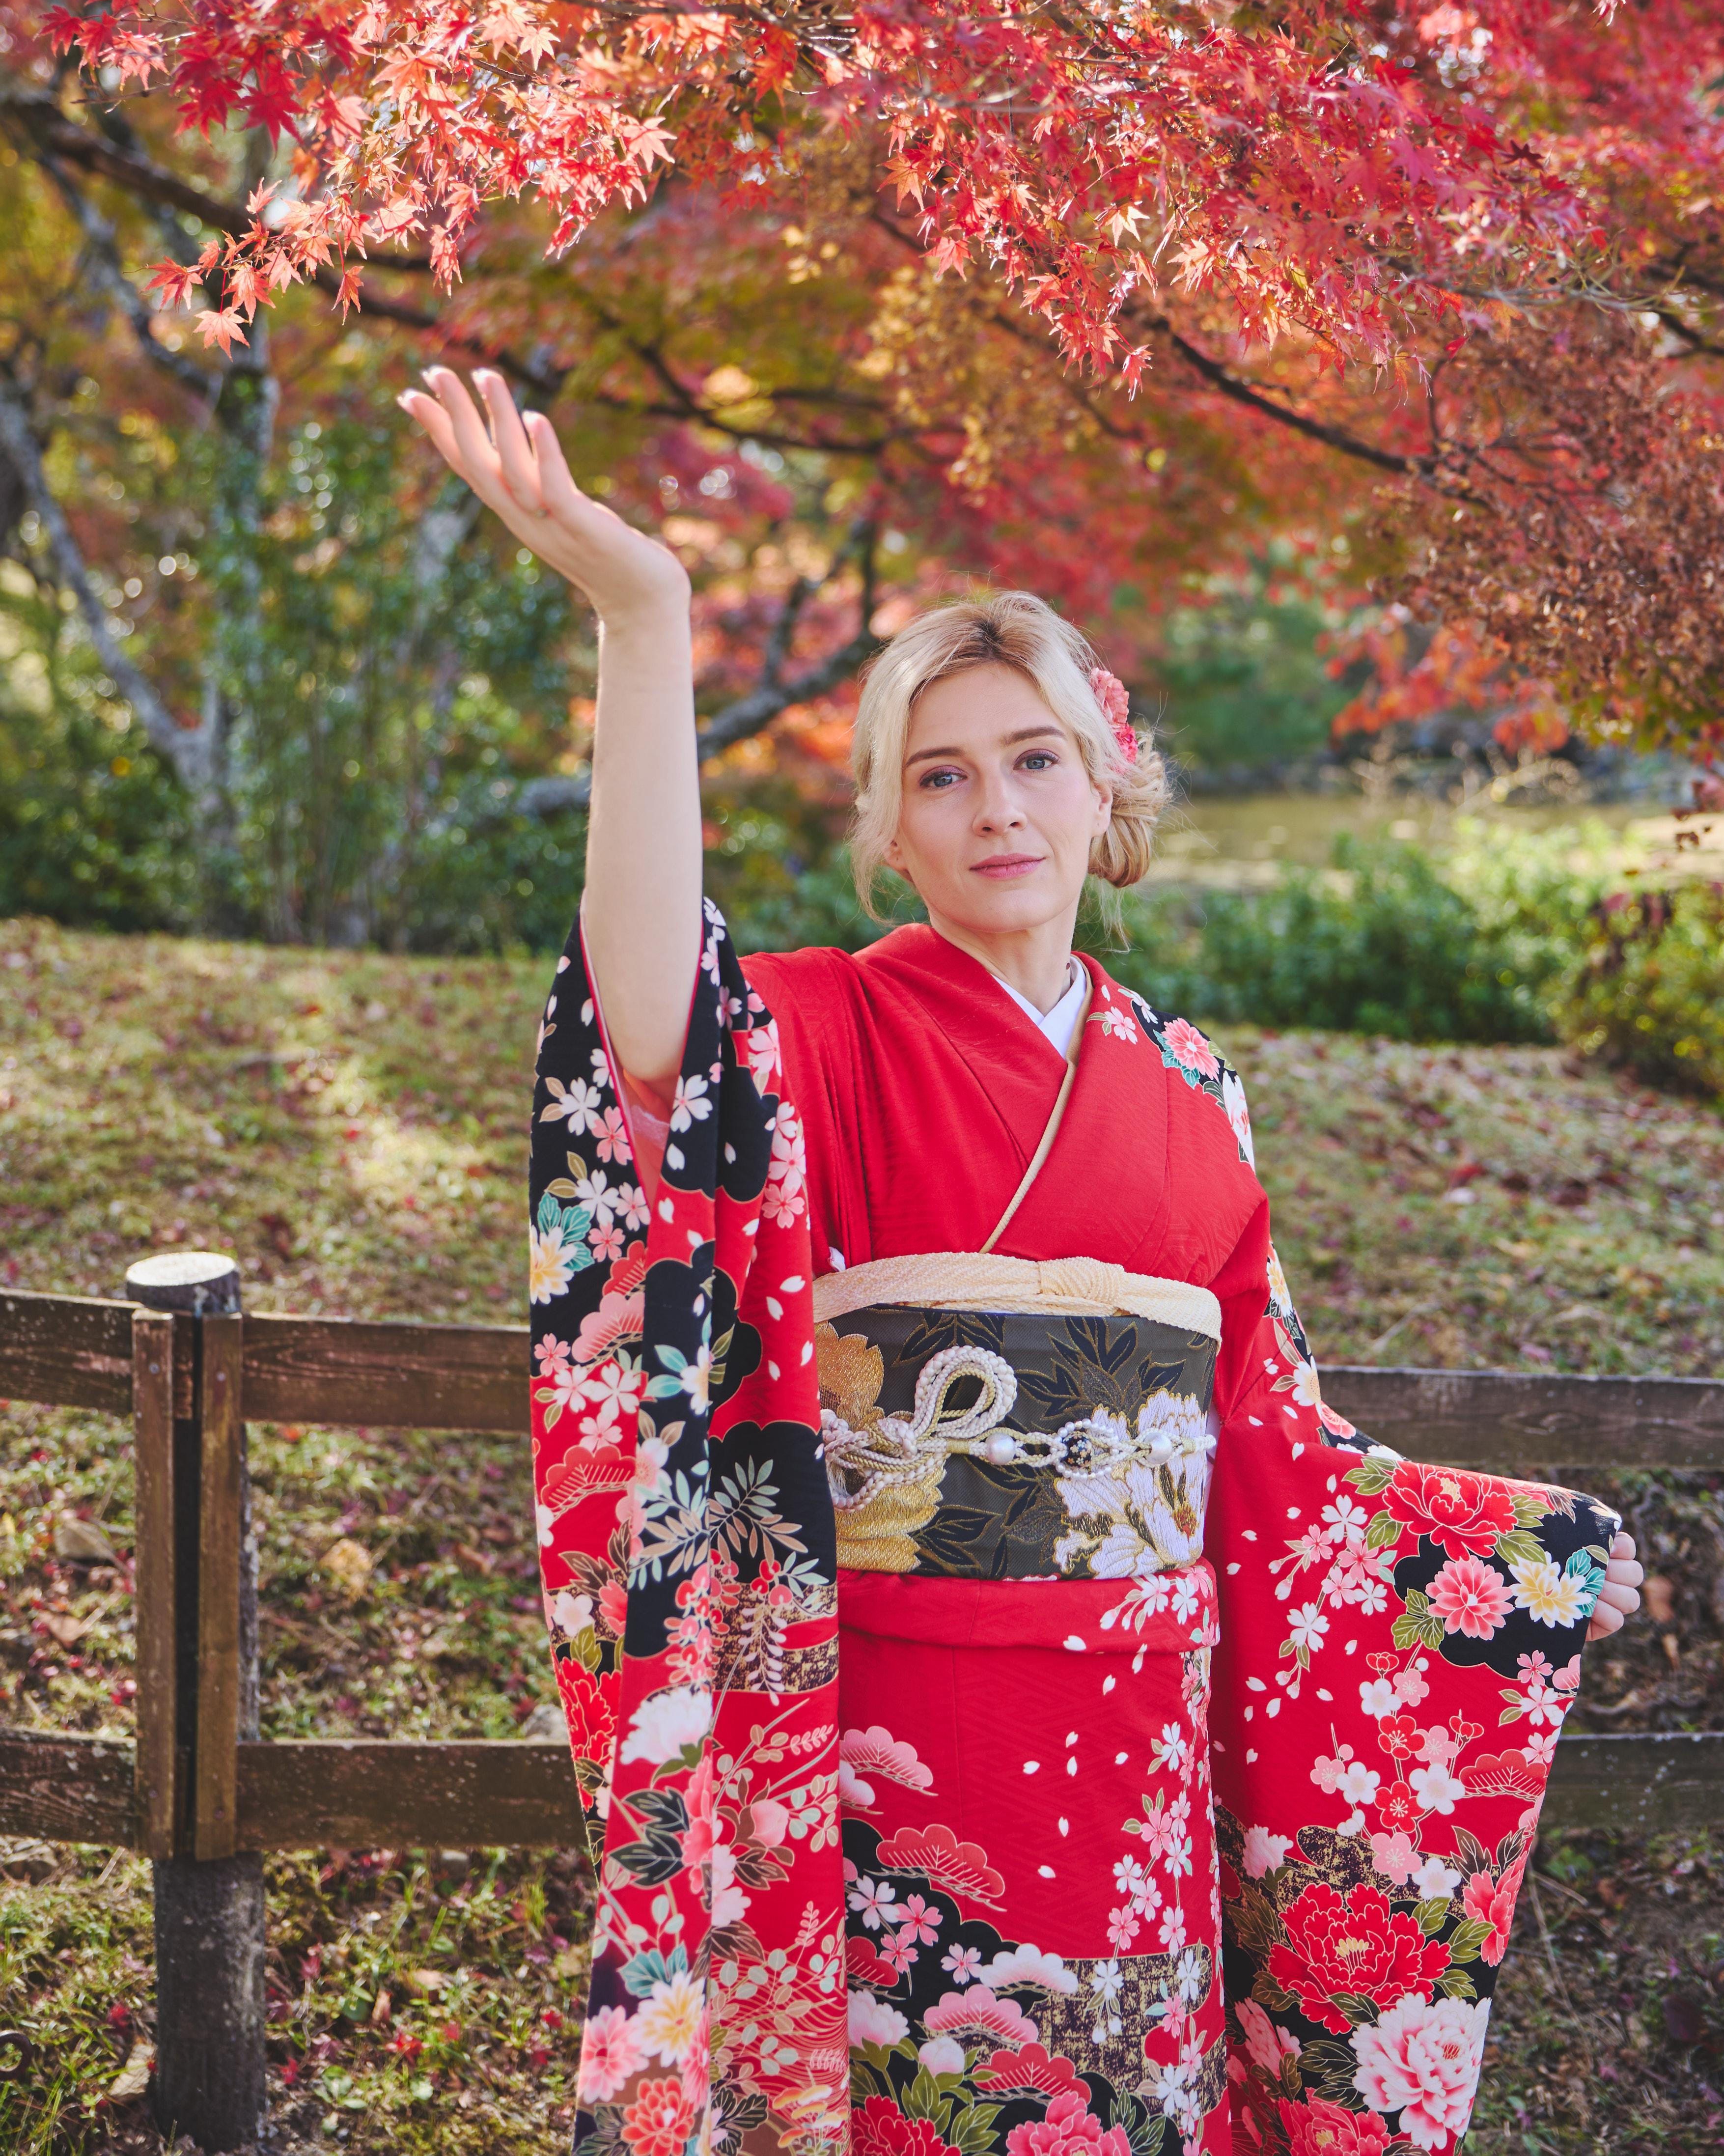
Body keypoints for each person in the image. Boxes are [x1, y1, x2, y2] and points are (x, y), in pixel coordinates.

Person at [400, 368, 1642, 2156]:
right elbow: (644, 1012)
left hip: (1135, 1740)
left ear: (1104, 783)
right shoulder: (817, 1027)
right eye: (943, 776)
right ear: (890, 829)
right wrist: (647, 620)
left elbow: (1273, 1458)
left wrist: (1511, 1571)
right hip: (888, 1714)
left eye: (1035, 759)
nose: (998, 808)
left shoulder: (1194, 1084)